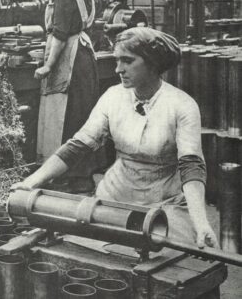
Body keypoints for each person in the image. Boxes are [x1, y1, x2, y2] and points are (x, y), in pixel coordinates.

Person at [13, 27, 218, 251]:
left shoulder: (182, 105)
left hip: (164, 203)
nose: (118, 69)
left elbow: (191, 166)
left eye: (128, 61)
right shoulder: (113, 96)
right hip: (114, 199)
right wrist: (30, 182)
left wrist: (200, 222)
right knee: (89, 254)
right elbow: (77, 147)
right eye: (117, 60)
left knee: (173, 256)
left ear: (153, 63)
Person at [35, 0, 106, 193]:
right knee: (82, 113)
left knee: (68, 116)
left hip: (69, 58)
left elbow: (60, 34)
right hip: (83, 53)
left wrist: (48, 66)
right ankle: (82, 174)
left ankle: (71, 176)